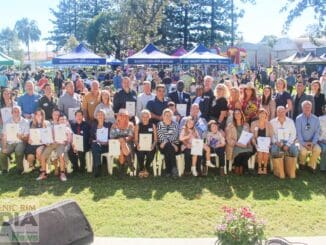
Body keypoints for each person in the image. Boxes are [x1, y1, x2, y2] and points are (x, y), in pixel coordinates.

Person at [37, 114, 72, 181]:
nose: (62, 121)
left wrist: (66, 142)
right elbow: (49, 136)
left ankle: (62, 173)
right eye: (61, 119)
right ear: (58, 121)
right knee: (43, 156)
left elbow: (69, 140)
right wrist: (48, 141)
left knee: (61, 156)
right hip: (53, 144)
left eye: (64, 119)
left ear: (66, 121)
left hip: (61, 145)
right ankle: (43, 173)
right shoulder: (54, 128)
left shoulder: (68, 129)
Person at [270, 106, 298, 178]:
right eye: (279, 111)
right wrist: (276, 142)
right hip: (277, 142)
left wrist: (288, 145)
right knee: (274, 151)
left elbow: (293, 134)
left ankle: (289, 170)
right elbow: (271, 135)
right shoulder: (272, 122)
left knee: (294, 150)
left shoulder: (290, 121)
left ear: (285, 112)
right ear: (276, 113)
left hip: (288, 142)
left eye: (282, 111)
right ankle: (278, 170)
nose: (281, 113)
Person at [0, 106, 29, 174]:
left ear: (21, 112)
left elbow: (26, 137)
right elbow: (4, 136)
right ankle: (5, 169)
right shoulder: (7, 122)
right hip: (10, 143)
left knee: (18, 151)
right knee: (2, 152)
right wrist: (4, 147)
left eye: (18, 111)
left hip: (21, 142)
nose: (16, 113)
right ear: (12, 113)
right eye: (14, 112)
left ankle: (20, 169)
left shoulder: (25, 122)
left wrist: (21, 137)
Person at [296, 100, 321, 173]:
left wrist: (313, 143)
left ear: (311, 108)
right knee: (303, 151)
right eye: (305, 107)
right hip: (302, 141)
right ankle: (302, 163)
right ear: (302, 108)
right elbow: (298, 132)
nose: (307, 108)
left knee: (318, 149)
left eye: (309, 107)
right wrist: (304, 143)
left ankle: (311, 164)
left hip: (312, 141)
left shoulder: (316, 119)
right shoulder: (298, 118)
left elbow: (317, 132)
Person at [226, 109, 253, 175]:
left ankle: (237, 167)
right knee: (240, 152)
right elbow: (228, 139)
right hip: (235, 145)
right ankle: (243, 168)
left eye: (239, 113)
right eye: (235, 114)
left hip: (245, 145)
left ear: (241, 115)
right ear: (233, 116)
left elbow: (248, 135)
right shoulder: (230, 125)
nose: (237, 115)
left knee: (246, 152)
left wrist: (247, 142)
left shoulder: (246, 125)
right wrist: (238, 144)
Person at [110, 109, 135, 176]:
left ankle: (121, 169)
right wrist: (119, 140)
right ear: (118, 116)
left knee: (121, 148)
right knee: (121, 144)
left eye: (124, 115)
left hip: (128, 143)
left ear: (127, 117)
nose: (122, 117)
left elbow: (130, 136)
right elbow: (111, 137)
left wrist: (123, 140)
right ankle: (130, 163)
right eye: (121, 115)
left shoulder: (130, 124)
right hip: (116, 143)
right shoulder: (114, 125)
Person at [134, 110, 157, 178]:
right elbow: (135, 139)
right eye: (143, 116)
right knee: (140, 153)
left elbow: (155, 139)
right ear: (141, 117)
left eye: (147, 116)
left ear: (149, 117)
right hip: (140, 146)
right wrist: (137, 145)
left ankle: (146, 168)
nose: (145, 118)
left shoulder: (153, 125)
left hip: (150, 146)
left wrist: (153, 145)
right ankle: (141, 169)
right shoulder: (138, 126)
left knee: (151, 154)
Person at [250, 109, 274, 175]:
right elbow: (252, 136)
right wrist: (255, 144)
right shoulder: (253, 123)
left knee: (266, 152)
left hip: (267, 144)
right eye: (261, 113)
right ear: (258, 115)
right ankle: (260, 168)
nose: (262, 115)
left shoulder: (269, 124)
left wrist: (270, 144)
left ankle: (265, 168)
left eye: (264, 113)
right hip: (256, 143)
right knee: (260, 151)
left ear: (266, 115)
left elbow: (272, 136)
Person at [157, 108, 179, 177]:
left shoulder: (175, 124)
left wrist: (170, 143)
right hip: (164, 145)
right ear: (163, 116)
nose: (168, 117)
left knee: (168, 147)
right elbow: (161, 136)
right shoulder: (159, 124)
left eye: (170, 115)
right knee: (168, 147)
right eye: (166, 115)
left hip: (172, 145)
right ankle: (174, 168)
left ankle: (168, 170)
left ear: (172, 116)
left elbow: (175, 135)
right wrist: (169, 143)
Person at [90, 109, 112, 177]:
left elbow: (113, 136)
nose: (100, 116)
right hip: (97, 145)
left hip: (106, 146)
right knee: (95, 145)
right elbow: (90, 138)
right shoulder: (93, 126)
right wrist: (94, 141)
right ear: (96, 116)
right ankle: (98, 166)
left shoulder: (109, 125)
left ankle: (97, 167)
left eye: (102, 114)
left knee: (95, 147)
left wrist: (107, 142)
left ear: (105, 116)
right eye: (98, 114)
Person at [318, 106, 326, 171]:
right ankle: (323, 168)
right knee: (325, 149)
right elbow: (316, 132)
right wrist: (321, 140)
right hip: (321, 140)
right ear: (323, 111)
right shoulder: (319, 119)